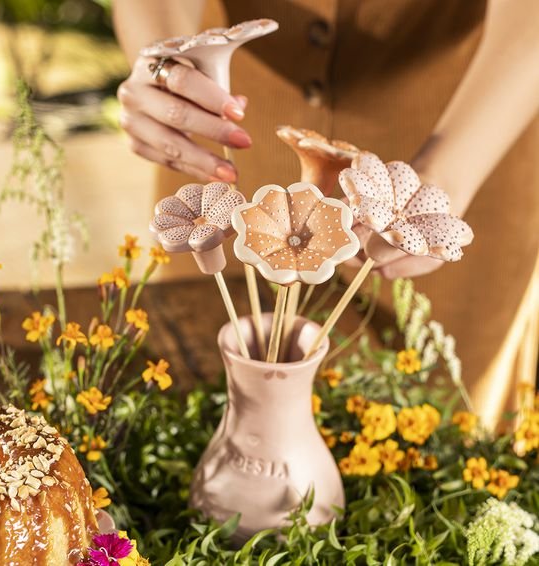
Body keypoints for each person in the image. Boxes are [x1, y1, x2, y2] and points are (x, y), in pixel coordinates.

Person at [113, 0, 539, 428]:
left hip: (471, 128)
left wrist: (447, 172)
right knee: (196, 398)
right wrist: (167, 63)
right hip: (235, 138)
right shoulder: (211, 208)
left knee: (441, 427)